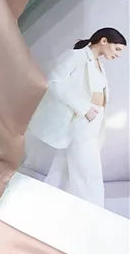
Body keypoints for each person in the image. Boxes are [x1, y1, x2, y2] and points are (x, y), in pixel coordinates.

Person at [27, 28, 127, 206]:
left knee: (63, 168)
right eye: (117, 49)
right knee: (89, 170)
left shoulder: (97, 62)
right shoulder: (76, 56)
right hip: (81, 120)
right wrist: (84, 108)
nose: (118, 55)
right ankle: (93, 210)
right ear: (104, 41)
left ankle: (48, 202)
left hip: (94, 120)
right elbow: (53, 81)